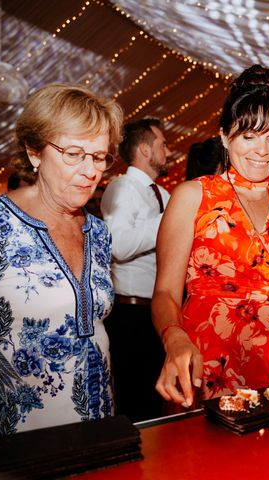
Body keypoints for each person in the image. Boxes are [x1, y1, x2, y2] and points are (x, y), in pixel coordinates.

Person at [0, 83, 123, 446]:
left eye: (100, 156)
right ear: (34, 152)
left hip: (96, 432)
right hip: (11, 442)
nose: (90, 171)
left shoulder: (99, 233)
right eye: (74, 153)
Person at [152, 64, 269, 408]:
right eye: (249, 135)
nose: (262, 150)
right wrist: (173, 337)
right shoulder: (193, 195)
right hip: (206, 356)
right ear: (226, 136)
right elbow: (166, 291)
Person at [100, 117, 171, 422]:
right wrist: (170, 223)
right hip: (131, 314)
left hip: (157, 309)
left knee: (156, 400)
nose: (168, 150)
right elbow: (119, 245)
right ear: (144, 149)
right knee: (136, 402)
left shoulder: (162, 193)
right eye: (162, 144)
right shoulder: (122, 187)